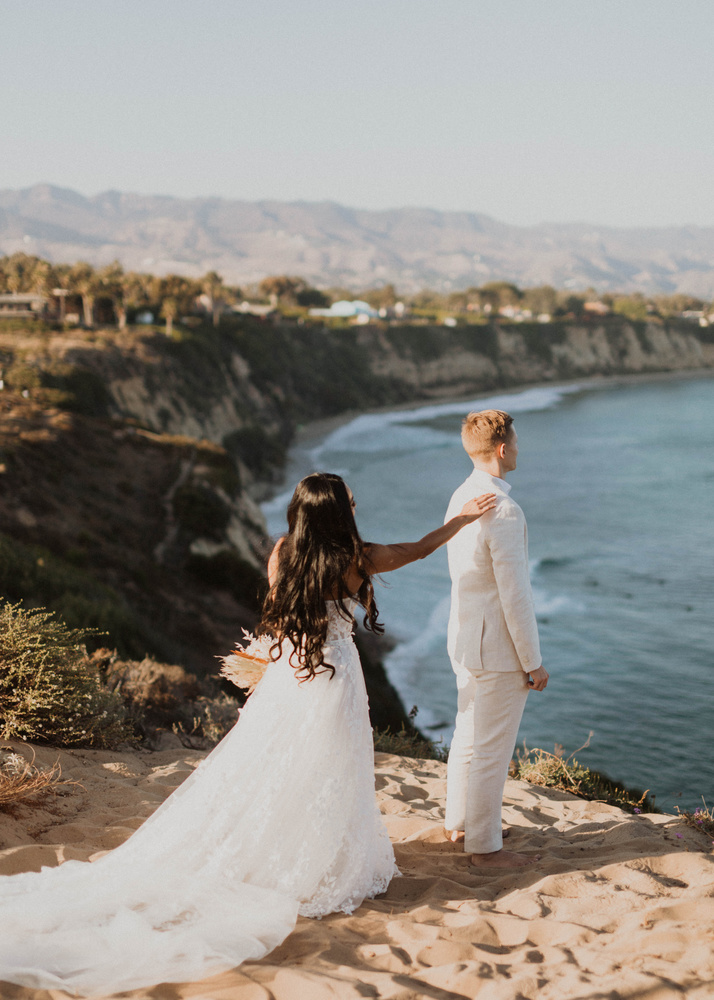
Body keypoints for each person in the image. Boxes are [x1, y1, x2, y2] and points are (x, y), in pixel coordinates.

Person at [0, 471, 496, 996]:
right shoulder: (358, 557)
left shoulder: (283, 552)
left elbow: (282, 622)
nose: (355, 500)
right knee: (333, 766)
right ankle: (319, 857)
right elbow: (417, 550)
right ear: (338, 511)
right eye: (348, 498)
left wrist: (268, 665)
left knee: (274, 761)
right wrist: (462, 520)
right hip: (336, 676)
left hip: (293, 673)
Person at [443, 410, 549, 869]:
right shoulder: (504, 509)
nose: (520, 449)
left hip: (464, 639)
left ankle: (459, 823)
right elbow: (515, 595)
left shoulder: (461, 495)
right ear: (502, 450)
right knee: (492, 749)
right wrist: (533, 660)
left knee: (467, 736)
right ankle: (485, 848)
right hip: (497, 648)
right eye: (517, 442)